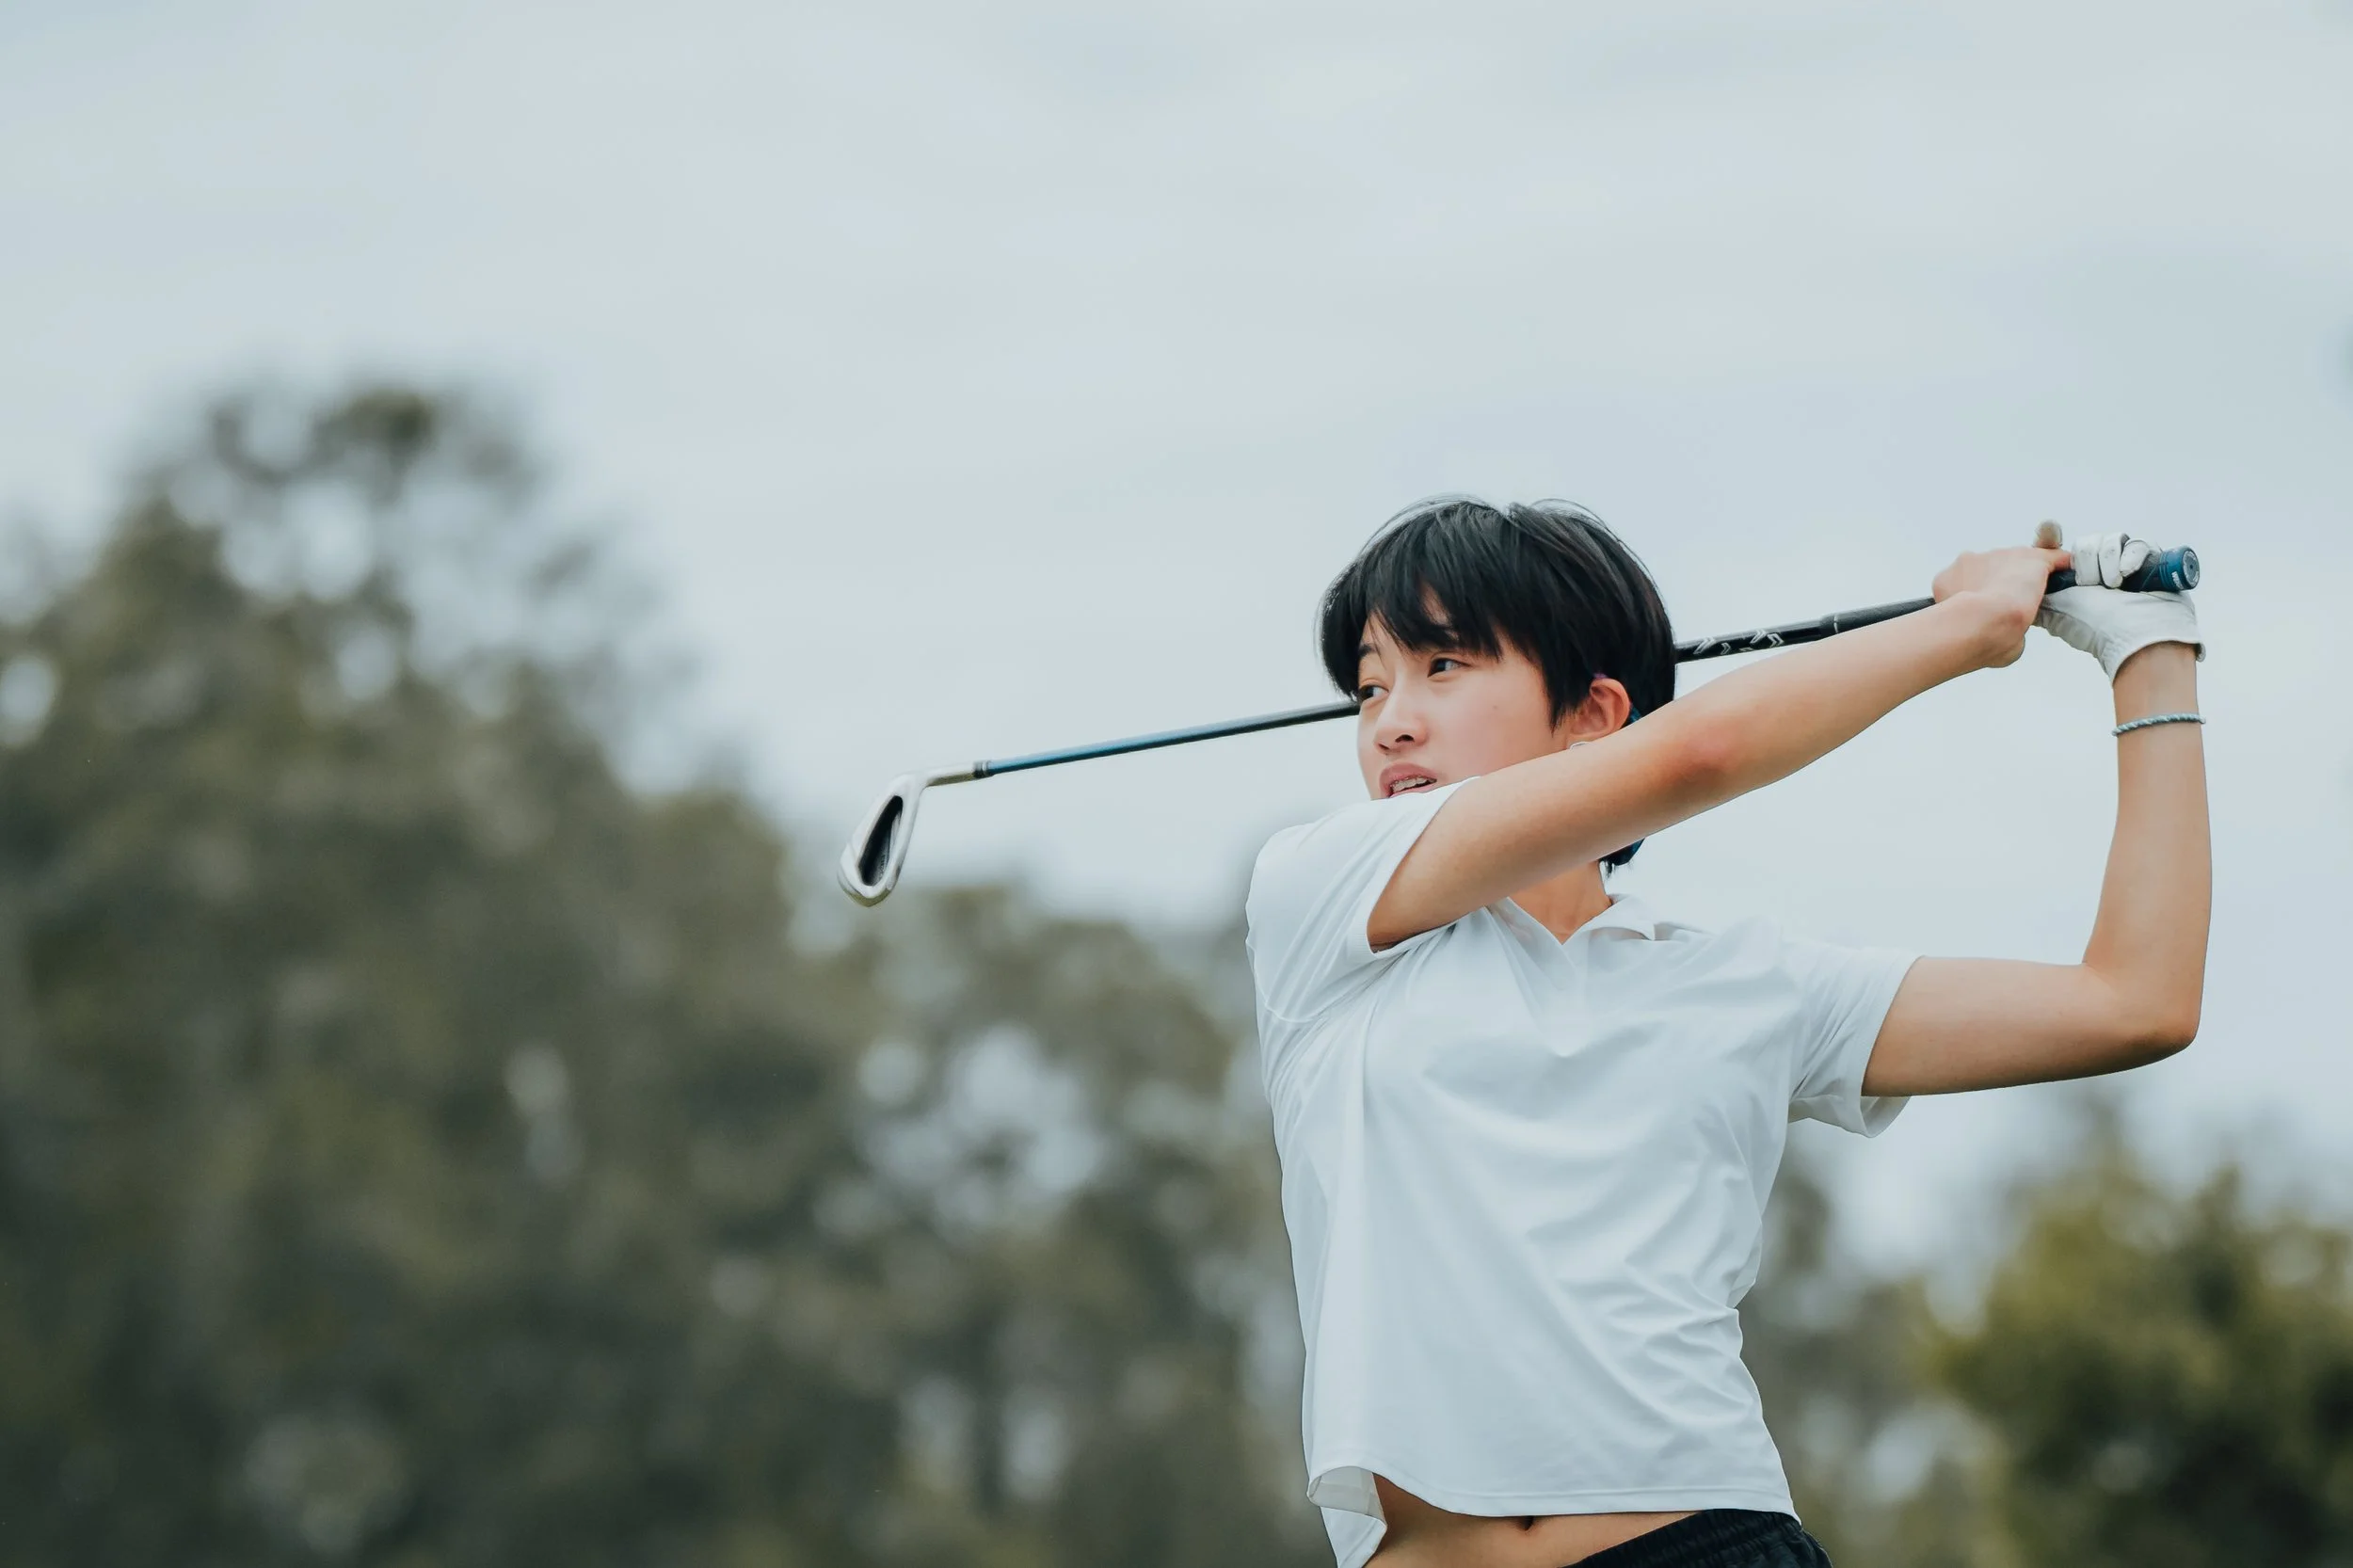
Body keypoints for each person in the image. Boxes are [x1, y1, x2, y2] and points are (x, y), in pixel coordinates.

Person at [1243, 499, 2207, 1568]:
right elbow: (1702, 748)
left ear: (1597, 712)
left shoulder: (1746, 982)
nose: (1390, 721)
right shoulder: (1321, 904)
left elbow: (2134, 1002)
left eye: (1445, 666)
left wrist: (2149, 648)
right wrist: (1967, 627)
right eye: (1372, 683)